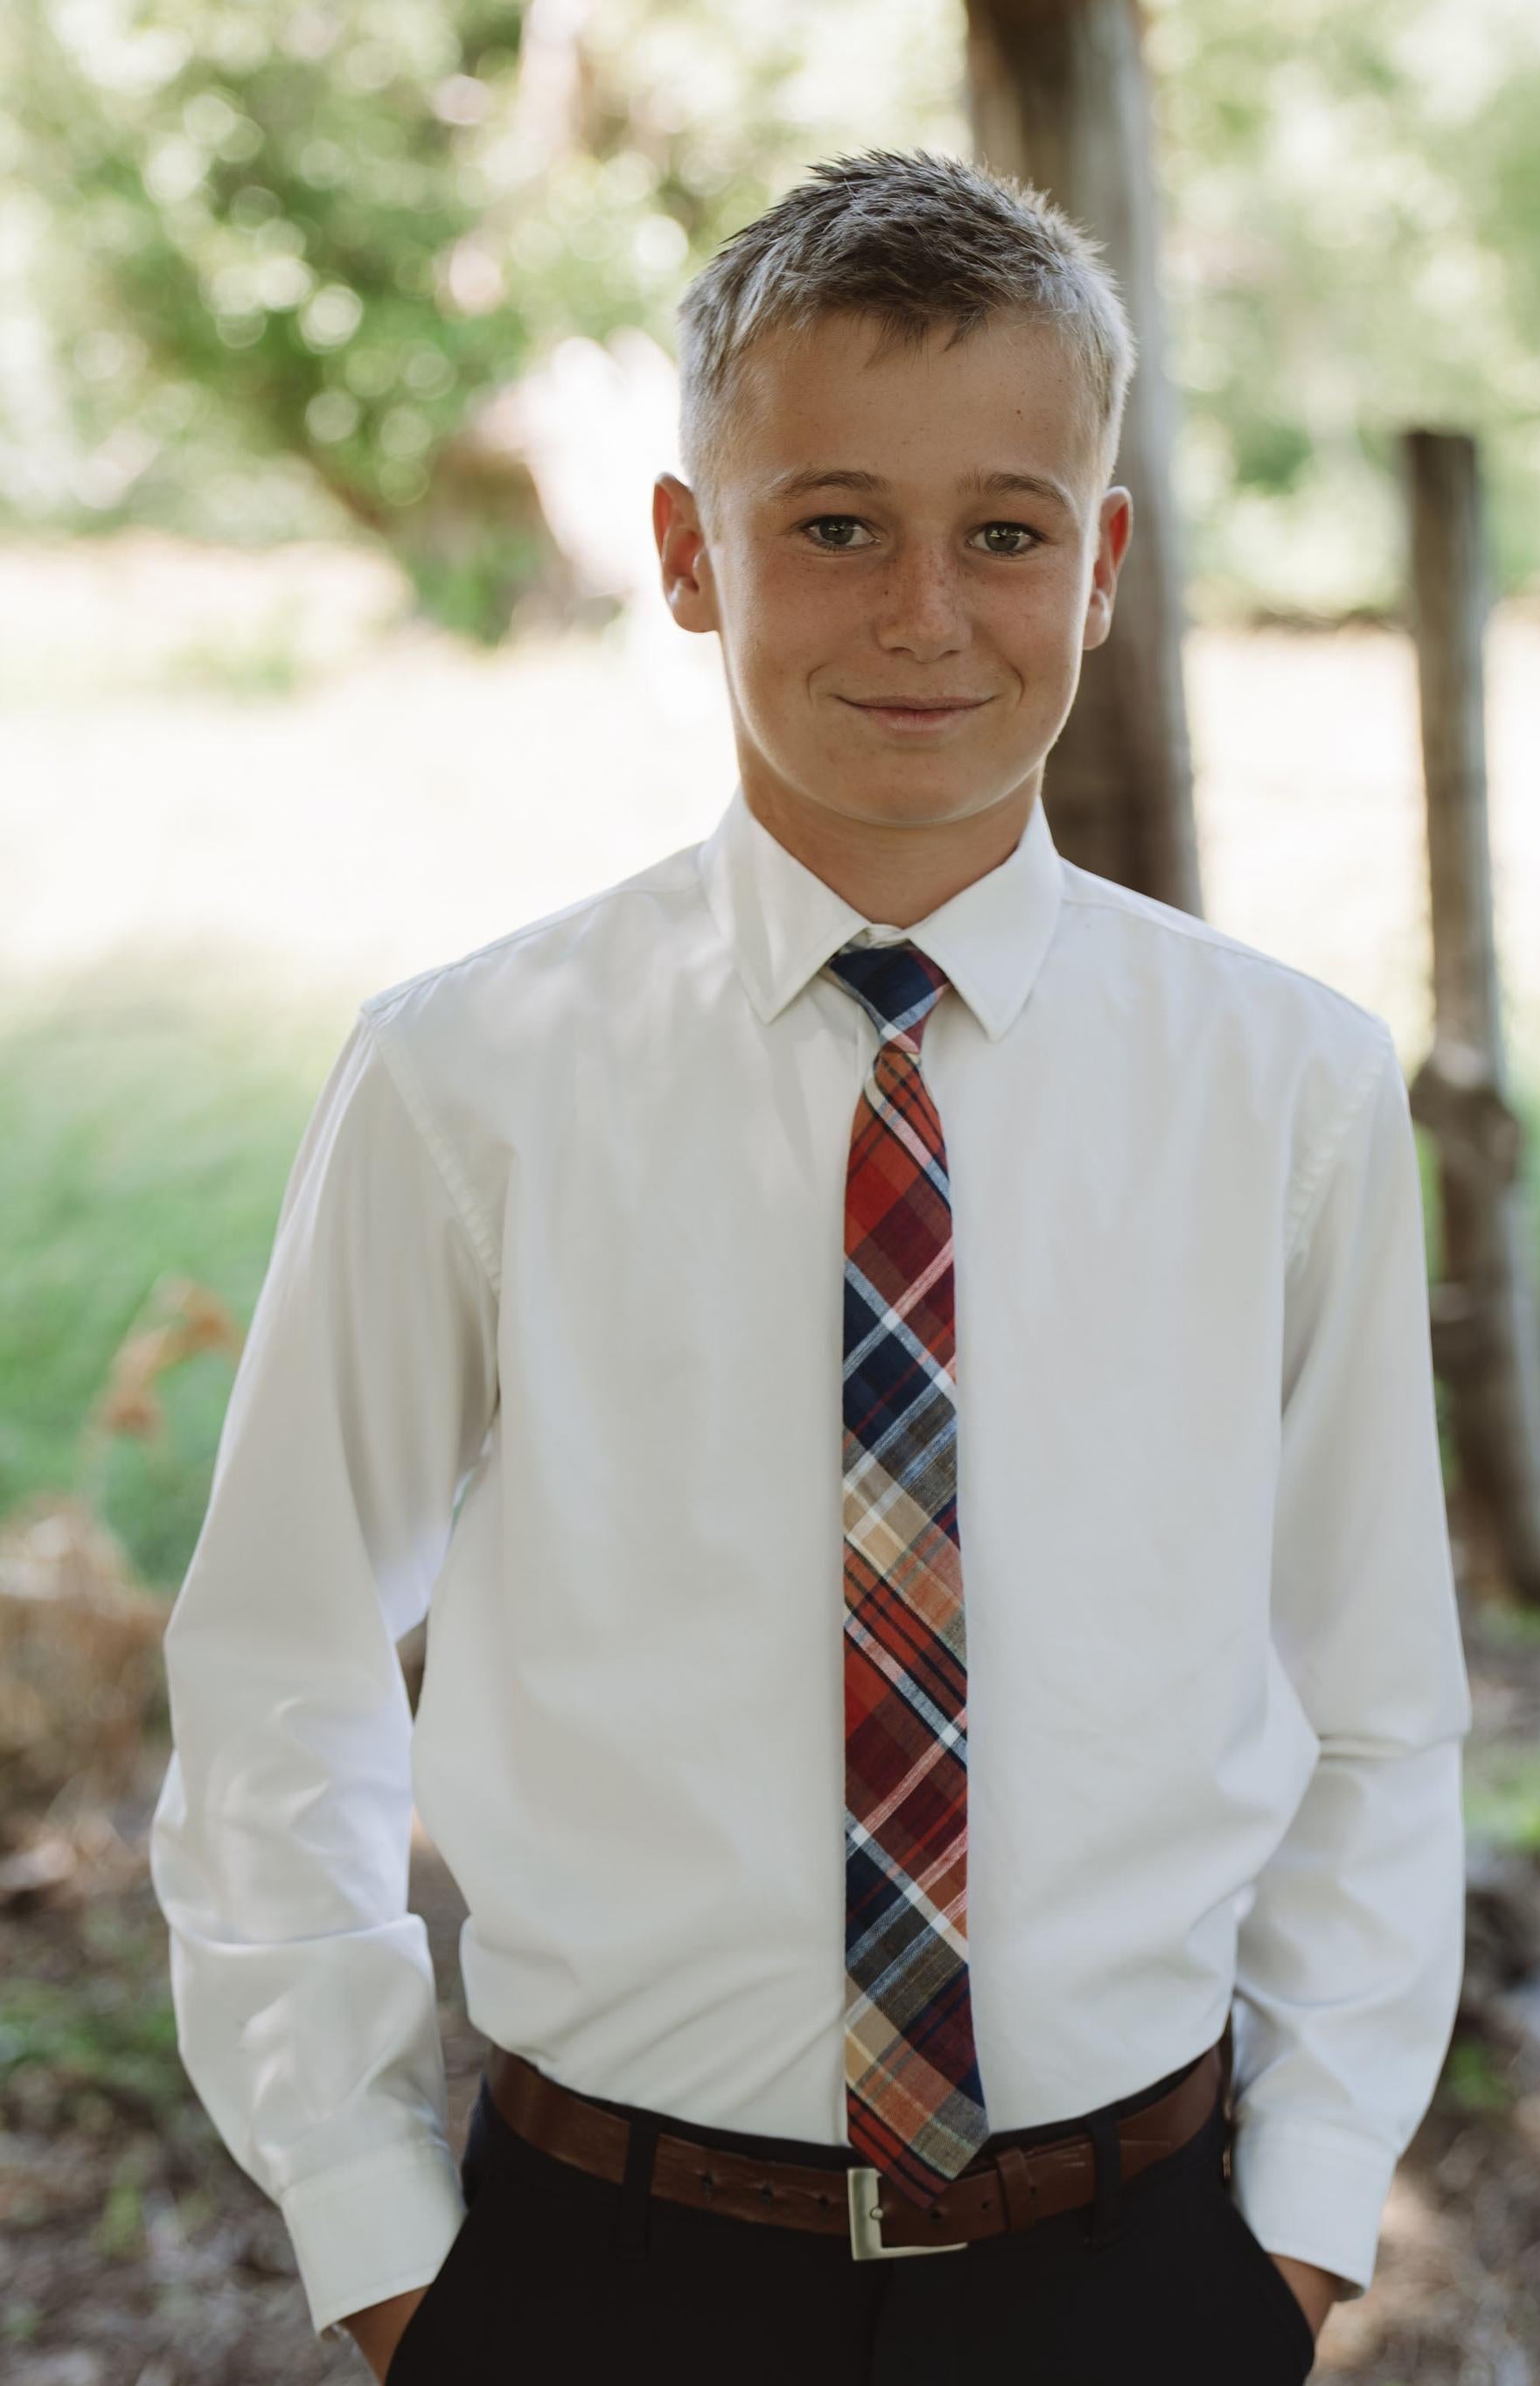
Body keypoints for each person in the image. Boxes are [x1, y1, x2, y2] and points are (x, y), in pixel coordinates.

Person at [149, 146, 1473, 2383]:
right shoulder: (471, 1078)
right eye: (835, 524)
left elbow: (1371, 1693)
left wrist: (1302, 2223)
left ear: (1103, 563)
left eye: (1005, 532)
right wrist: (380, 2240)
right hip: (603, 2268)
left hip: (1136, 2267)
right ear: (689, 551)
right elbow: (283, 1665)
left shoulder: (1290, 1088)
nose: (924, 613)